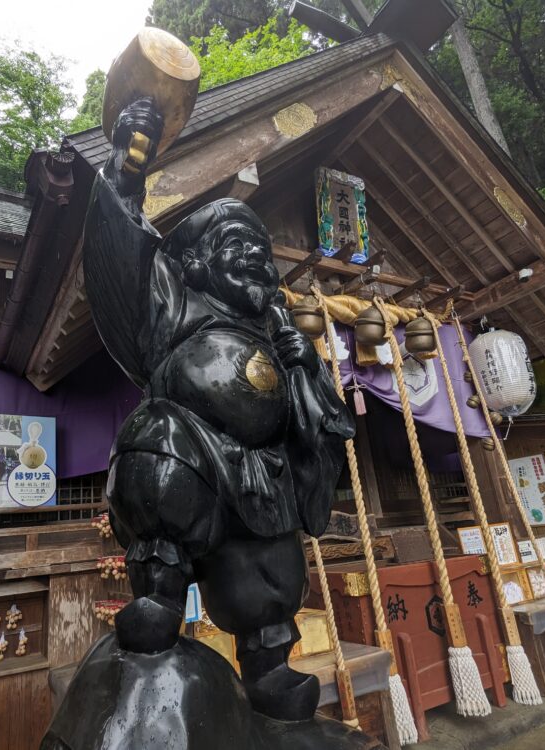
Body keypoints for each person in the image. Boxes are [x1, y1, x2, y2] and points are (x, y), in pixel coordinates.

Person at [83, 98, 355, 721]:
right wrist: (127, 175)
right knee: (156, 448)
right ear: (199, 260)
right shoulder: (174, 303)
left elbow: (320, 416)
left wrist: (303, 365)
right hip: (192, 449)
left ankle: (268, 667)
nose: (256, 256)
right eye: (239, 243)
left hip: (261, 471)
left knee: (271, 576)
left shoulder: (277, 326)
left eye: (262, 248)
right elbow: (125, 258)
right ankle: (159, 599)